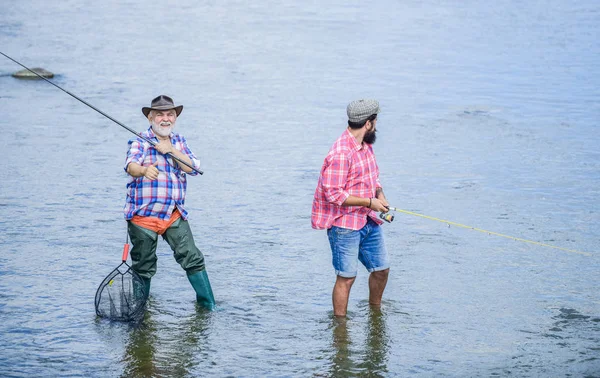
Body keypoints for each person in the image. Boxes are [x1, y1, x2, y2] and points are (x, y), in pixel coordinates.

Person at [123, 95, 215, 311]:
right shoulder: (140, 140)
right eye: (160, 115)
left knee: (193, 258)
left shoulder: (179, 141)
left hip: (173, 214)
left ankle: (209, 306)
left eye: (170, 114)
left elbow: (193, 169)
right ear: (150, 118)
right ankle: (140, 311)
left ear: (175, 118)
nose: (165, 119)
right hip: (143, 217)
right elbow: (130, 167)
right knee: (143, 267)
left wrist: (171, 150)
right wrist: (145, 170)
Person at [312, 99, 391, 317]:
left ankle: (375, 313)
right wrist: (369, 203)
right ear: (368, 123)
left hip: (368, 220)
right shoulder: (340, 153)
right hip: (344, 226)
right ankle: (340, 327)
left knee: (381, 270)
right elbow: (334, 194)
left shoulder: (366, 146)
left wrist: (380, 196)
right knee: (346, 278)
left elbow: (373, 177)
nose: (376, 126)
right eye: (375, 121)